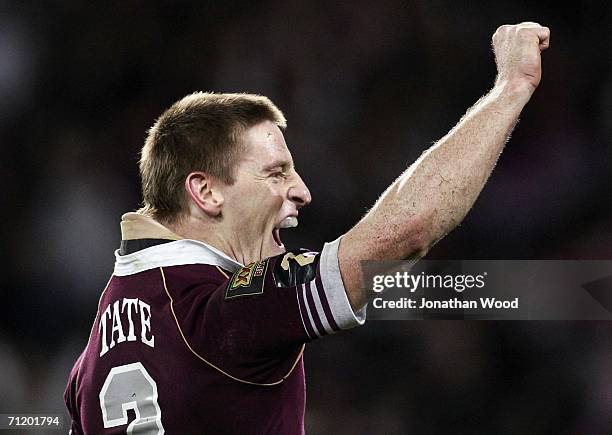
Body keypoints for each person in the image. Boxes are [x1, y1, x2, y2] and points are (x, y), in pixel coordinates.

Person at [64, 22, 550, 434]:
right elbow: (402, 236)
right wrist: (511, 88)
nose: (302, 191)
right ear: (206, 192)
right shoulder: (222, 309)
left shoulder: (91, 356)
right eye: (276, 173)